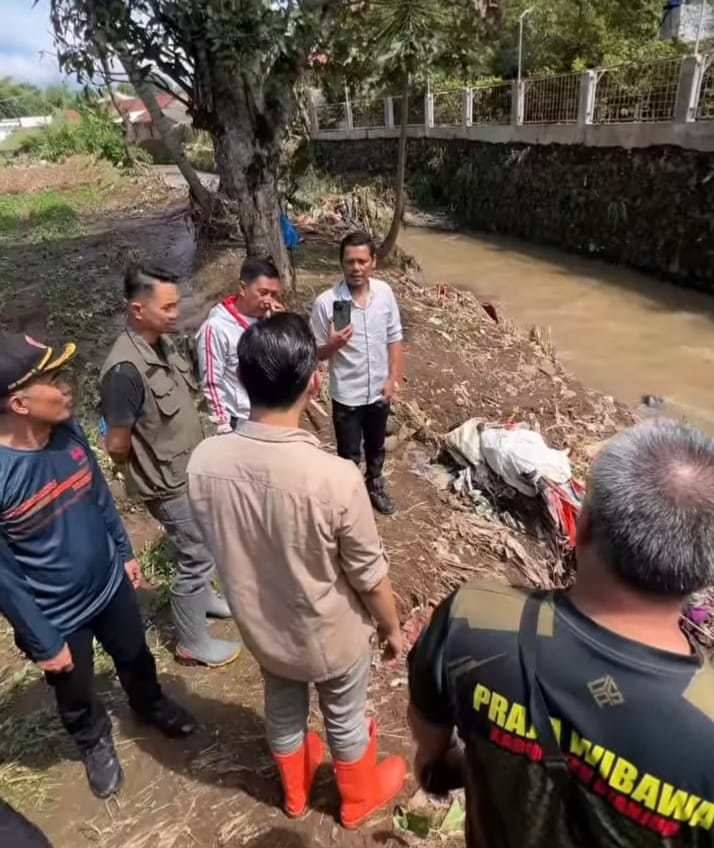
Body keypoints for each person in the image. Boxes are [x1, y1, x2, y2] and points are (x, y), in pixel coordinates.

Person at [407, 419, 714, 848]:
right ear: (702, 573)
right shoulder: (705, 723)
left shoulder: (473, 619)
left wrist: (441, 766)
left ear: (582, 525)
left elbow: (431, 745)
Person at [187, 314, 407, 828]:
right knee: (346, 719)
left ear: (242, 380)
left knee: (283, 710)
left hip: (262, 629)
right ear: (313, 381)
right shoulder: (336, 477)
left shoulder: (203, 461)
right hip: (329, 636)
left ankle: (294, 794)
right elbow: (369, 576)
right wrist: (392, 629)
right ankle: (355, 802)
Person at [0, 332, 195, 800]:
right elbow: (5, 579)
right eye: (53, 379)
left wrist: (124, 552)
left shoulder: (67, 432)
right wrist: (43, 640)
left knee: (134, 654)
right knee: (75, 689)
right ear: (19, 404)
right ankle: (94, 742)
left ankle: (149, 704)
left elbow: (99, 495)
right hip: (57, 613)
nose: (68, 387)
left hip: (108, 584)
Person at [99, 264, 241, 668]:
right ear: (137, 309)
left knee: (205, 542)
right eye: (167, 307)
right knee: (195, 553)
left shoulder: (163, 344)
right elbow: (117, 443)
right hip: (167, 483)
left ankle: (203, 600)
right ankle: (191, 643)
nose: (176, 313)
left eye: (177, 304)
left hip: (189, 469)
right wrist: (145, 471)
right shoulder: (124, 371)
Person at [311, 232, 404, 516]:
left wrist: (392, 378)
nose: (356, 268)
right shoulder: (327, 303)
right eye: (350, 261)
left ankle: (375, 484)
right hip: (347, 395)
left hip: (378, 391)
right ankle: (350, 499)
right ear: (341, 264)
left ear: (373, 262)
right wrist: (333, 345)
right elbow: (314, 352)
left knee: (376, 444)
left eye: (362, 261)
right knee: (348, 453)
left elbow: (395, 336)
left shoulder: (385, 294)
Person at [196, 258, 283, 433]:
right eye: (263, 292)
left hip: (269, 414)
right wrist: (223, 425)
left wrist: (281, 326)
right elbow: (212, 382)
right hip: (239, 420)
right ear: (243, 288)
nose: (269, 301)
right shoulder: (216, 328)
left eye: (273, 294)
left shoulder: (268, 319)